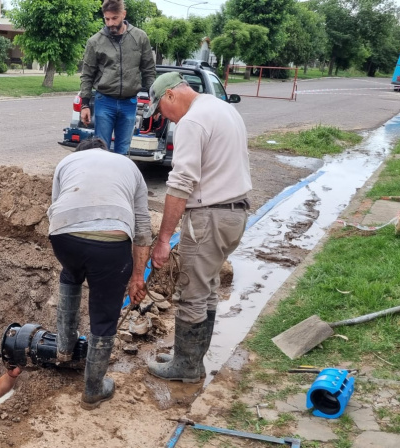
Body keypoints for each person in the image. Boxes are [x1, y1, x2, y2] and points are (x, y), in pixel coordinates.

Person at [143, 72, 252, 383]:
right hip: (234, 213)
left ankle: (187, 367)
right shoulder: (223, 109)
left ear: (171, 96)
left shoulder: (192, 121)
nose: (164, 118)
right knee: (207, 289)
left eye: (161, 110)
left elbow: (180, 183)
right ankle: (189, 357)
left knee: (191, 291)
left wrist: (163, 239)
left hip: (210, 217)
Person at [48, 137, 152, 409]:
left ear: (82, 152)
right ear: (105, 151)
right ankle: (93, 388)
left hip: (63, 237)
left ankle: (64, 349)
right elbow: (142, 229)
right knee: (104, 313)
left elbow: (56, 208)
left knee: (70, 273)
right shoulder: (128, 165)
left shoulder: (66, 162)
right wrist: (137, 277)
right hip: (111, 243)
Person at [79, 0, 156, 155]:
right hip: (104, 101)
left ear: (123, 14)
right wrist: (85, 104)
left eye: (114, 18)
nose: (110, 23)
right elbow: (87, 75)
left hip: (129, 102)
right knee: (101, 149)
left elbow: (148, 70)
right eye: (107, 19)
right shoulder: (95, 41)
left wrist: (154, 100)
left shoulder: (140, 38)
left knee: (123, 149)